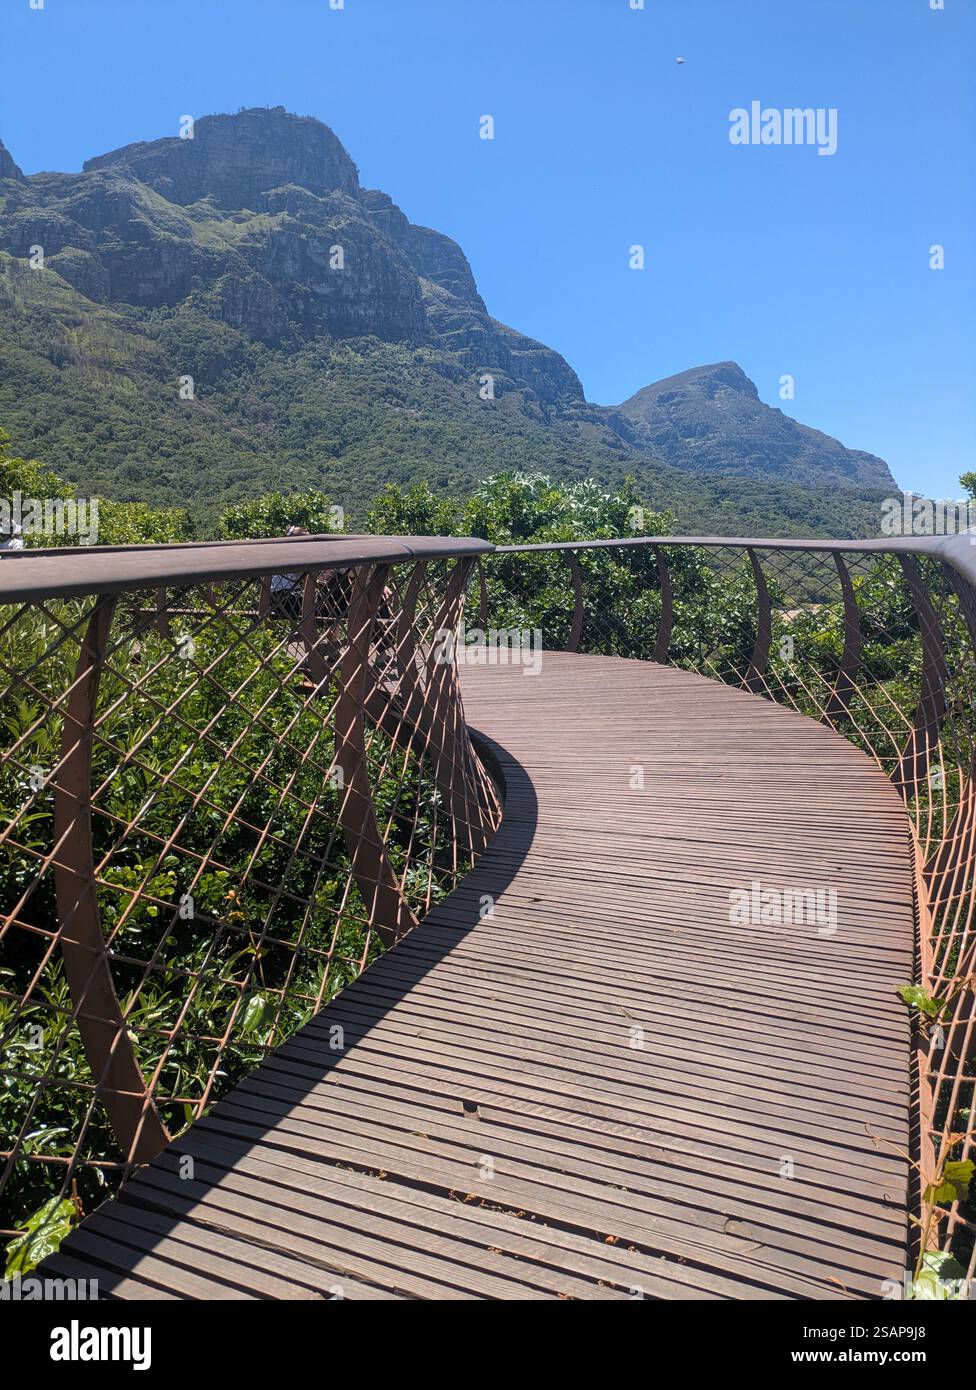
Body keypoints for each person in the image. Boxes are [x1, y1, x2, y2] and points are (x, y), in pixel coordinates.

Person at [269, 525, 309, 618]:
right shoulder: (297, 555)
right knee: (326, 604)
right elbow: (306, 580)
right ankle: (333, 631)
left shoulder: (281, 553)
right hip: (288, 599)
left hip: (273, 600)